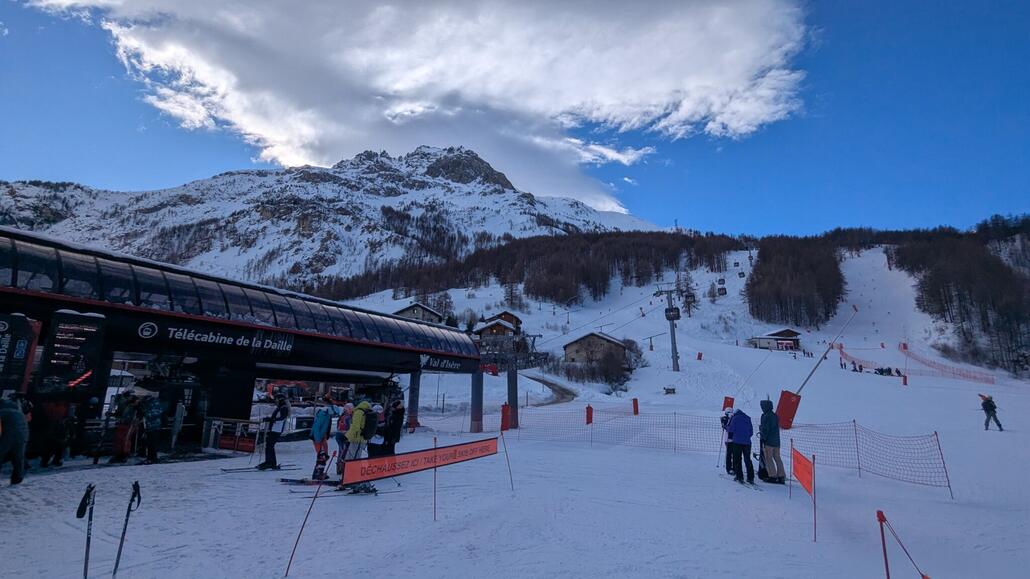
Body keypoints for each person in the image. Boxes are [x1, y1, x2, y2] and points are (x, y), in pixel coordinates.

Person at [338, 400, 376, 492]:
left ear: (350, 409)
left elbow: (355, 427)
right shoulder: (364, 411)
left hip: (357, 440)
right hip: (360, 440)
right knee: (352, 459)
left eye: (347, 410)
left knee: (352, 460)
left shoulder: (358, 412)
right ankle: (350, 479)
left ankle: (354, 481)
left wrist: (347, 437)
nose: (347, 412)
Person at [257, 394, 290, 470]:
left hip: (277, 429)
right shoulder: (280, 407)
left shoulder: (283, 408)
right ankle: (270, 462)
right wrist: (269, 419)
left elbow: (282, 418)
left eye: (276, 399)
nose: (275, 401)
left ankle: (270, 463)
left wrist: (271, 419)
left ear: (280, 399)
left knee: (269, 445)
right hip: (274, 428)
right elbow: (276, 417)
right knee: (269, 445)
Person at [0, 398, 29, 485]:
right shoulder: (20, 413)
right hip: (22, 438)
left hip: (7, 437)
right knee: (18, 459)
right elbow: (26, 427)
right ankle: (17, 479)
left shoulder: (2, 412)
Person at [759, 400, 786, 484]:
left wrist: (763, 437)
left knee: (768, 458)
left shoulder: (766, 416)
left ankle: (772, 476)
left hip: (769, 442)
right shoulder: (775, 415)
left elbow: (766, 429)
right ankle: (781, 476)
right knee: (777, 458)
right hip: (776, 441)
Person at [725, 408, 755, 484]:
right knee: (747, 459)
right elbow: (751, 432)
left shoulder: (735, 418)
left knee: (737, 459)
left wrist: (726, 427)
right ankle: (750, 477)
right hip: (747, 443)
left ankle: (739, 476)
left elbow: (731, 429)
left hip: (737, 442)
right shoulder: (748, 418)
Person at [140, 393, 164, 464]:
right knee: (149, 443)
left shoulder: (154, 404)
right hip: (150, 426)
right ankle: (150, 457)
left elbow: (156, 413)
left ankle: (153, 458)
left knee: (152, 443)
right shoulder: (151, 404)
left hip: (154, 426)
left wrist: (146, 414)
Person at [720, 408, 734, 476]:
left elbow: (725, 427)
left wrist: (723, 424)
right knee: (731, 454)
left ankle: (731, 467)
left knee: (731, 454)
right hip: (731, 439)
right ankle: (730, 467)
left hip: (731, 439)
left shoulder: (731, 418)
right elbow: (725, 427)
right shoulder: (731, 418)